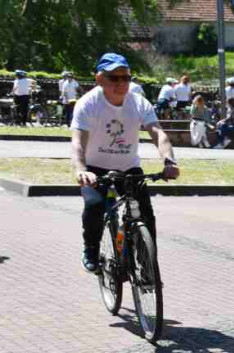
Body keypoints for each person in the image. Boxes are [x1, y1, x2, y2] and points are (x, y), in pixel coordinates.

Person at [72, 53, 179, 274]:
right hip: (94, 168)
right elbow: (78, 143)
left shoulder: (139, 102)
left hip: (129, 167)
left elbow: (159, 134)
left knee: (145, 214)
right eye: (114, 78)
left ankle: (147, 263)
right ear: (99, 79)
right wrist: (82, 170)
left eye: (126, 77)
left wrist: (169, 161)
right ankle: (91, 249)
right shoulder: (87, 104)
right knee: (94, 206)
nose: (121, 83)